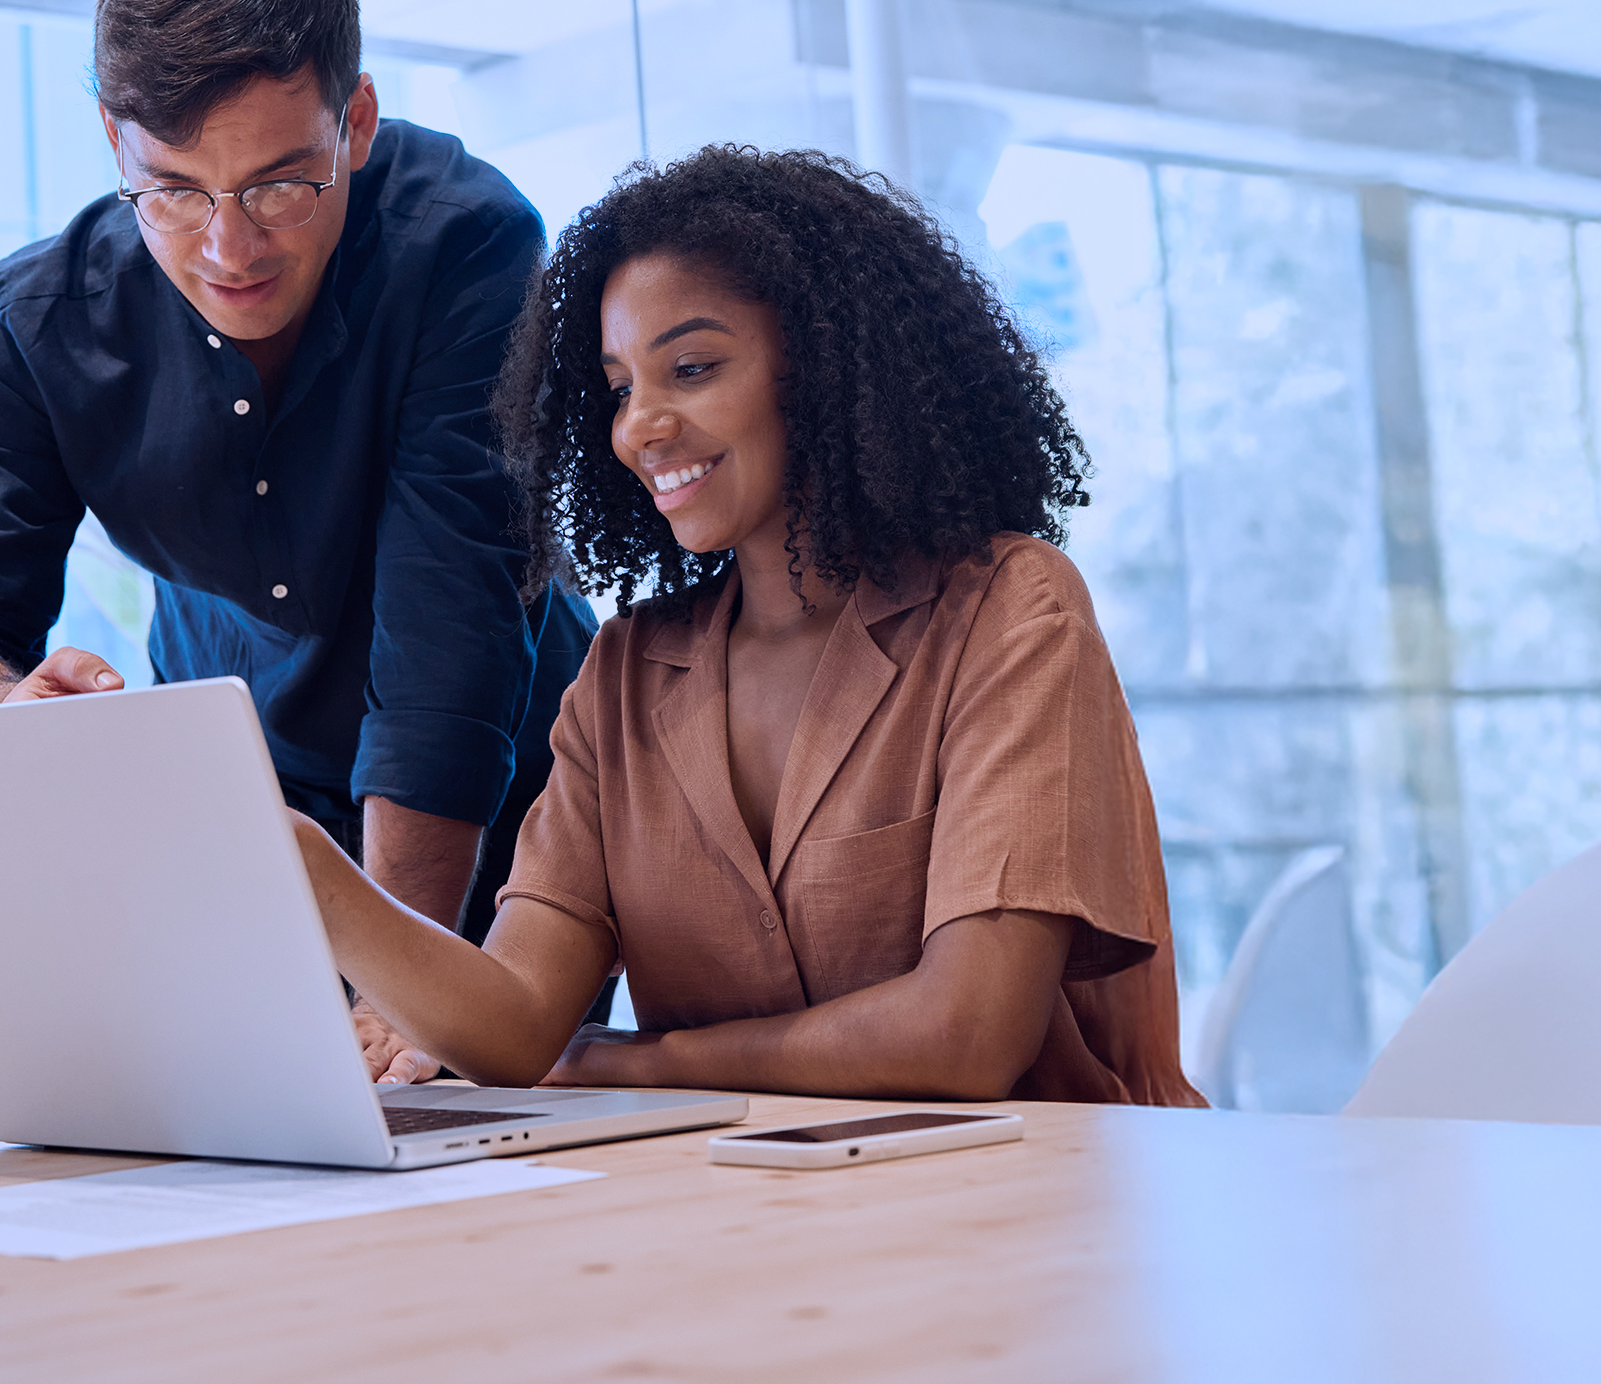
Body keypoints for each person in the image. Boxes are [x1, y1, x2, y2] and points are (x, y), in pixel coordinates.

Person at [294, 145, 1203, 1106]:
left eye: (690, 367)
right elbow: (519, 1022)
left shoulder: (1010, 610)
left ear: (824, 366)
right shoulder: (626, 675)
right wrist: (316, 875)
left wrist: (644, 1061)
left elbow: (967, 1038)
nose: (639, 425)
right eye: (618, 388)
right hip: (747, 1212)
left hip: (1034, 1207)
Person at [0, 0, 589, 943]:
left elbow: (449, 632)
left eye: (281, 183)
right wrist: (3, 705)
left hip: (504, 809)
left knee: (470, 1095)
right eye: (173, 190)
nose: (228, 247)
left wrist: (401, 981)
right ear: (116, 142)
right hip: (251, 817)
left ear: (358, 122)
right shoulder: (42, 321)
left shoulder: (465, 243)